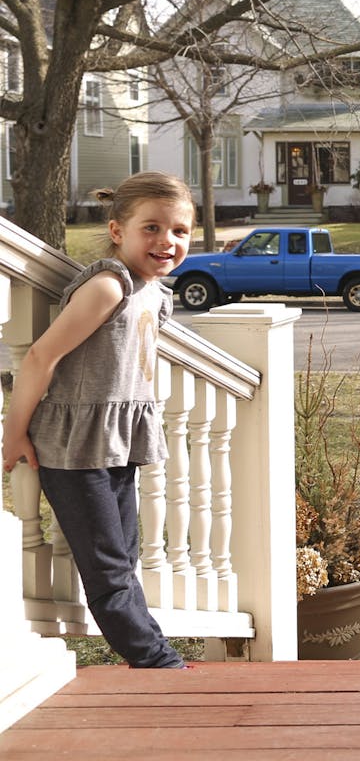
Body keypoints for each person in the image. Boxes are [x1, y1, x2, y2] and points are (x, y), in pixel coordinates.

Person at [1, 172, 195, 669]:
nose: (166, 241)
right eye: (151, 228)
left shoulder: (153, 292)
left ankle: (155, 655)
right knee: (109, 568)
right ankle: (158, 663)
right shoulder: (110, 286)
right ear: (117, 231)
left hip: (116, 442)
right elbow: (41, 358)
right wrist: (15, 430)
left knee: (124, 557)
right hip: (74, 448)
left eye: (179, 231)